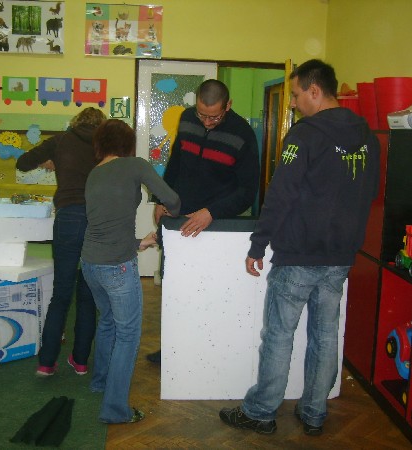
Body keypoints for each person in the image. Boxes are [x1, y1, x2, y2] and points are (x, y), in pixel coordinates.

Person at [219, 59, 380, 436]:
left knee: (278, 335)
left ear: (315, 91)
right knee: (326, 335)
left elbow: (281, 193)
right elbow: (370, 193)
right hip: (339, 257)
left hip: (299, 255)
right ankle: (313, 412)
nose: (292, 103)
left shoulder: (304, 135)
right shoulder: (368, 138)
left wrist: (258, 245)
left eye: (295, 95)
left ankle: (261, 411)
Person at [147, 78, 260, 363]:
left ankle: (205, 354)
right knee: (174, 288)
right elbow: (175, 163)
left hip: (215, 227)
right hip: (178, 219)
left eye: (214, 117)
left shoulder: (243, 134)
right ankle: (172, 350)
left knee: (207, 293)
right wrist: (162, 199)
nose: (207, 122)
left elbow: (248, 191)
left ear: (228, 105)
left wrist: (211, 212)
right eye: (202, 115)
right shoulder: (187, 119)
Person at [80, 119, 180, 424]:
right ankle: (115, 410)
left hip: (90, 264)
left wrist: (140, 242)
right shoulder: (135, 165)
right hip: (116, 267)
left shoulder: (94, 173)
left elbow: (105, 226)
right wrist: (171, 213)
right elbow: (173, 199)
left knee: (108, 322)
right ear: (127, 144)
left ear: (100, 144)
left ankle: (100, 382)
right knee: (127, 335)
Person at [16, 107, 106, 377]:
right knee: (87, 296)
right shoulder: (106, 144)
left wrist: (50, 161)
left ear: (75, 122)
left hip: (68, 218)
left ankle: (46, 362)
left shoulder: (61, 140)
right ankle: (80, 362)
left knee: (61, 294)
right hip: (97, 219)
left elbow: (22, 163)